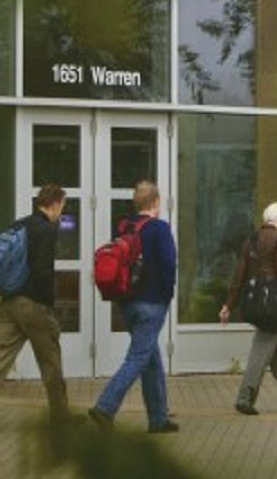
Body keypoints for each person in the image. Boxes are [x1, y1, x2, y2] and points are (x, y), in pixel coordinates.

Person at [0, 184, 72, 431]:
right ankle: (61, 418)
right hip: (32, 304)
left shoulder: (19, 224)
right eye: (62, 206)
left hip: (8, 302)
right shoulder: (46, 229)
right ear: (54, 204)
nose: (62, 212)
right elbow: (42, 271)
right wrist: (49, 306)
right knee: (51, 361)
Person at [88, 180, 179, 432]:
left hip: (127, 303)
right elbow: (169, 265)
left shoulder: (125, 227)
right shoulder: (159, 228)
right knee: (138, 358)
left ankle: (158, 418)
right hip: (151, 303)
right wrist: (167, 296)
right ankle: (104, 407)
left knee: (151, 359)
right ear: (157, 202)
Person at [219, 202, 277, 415]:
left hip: (255, 300)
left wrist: (228, 305)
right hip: (273, 303)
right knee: (262, 347)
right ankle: (245, 396)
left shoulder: (251, 239)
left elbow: (239, 275)